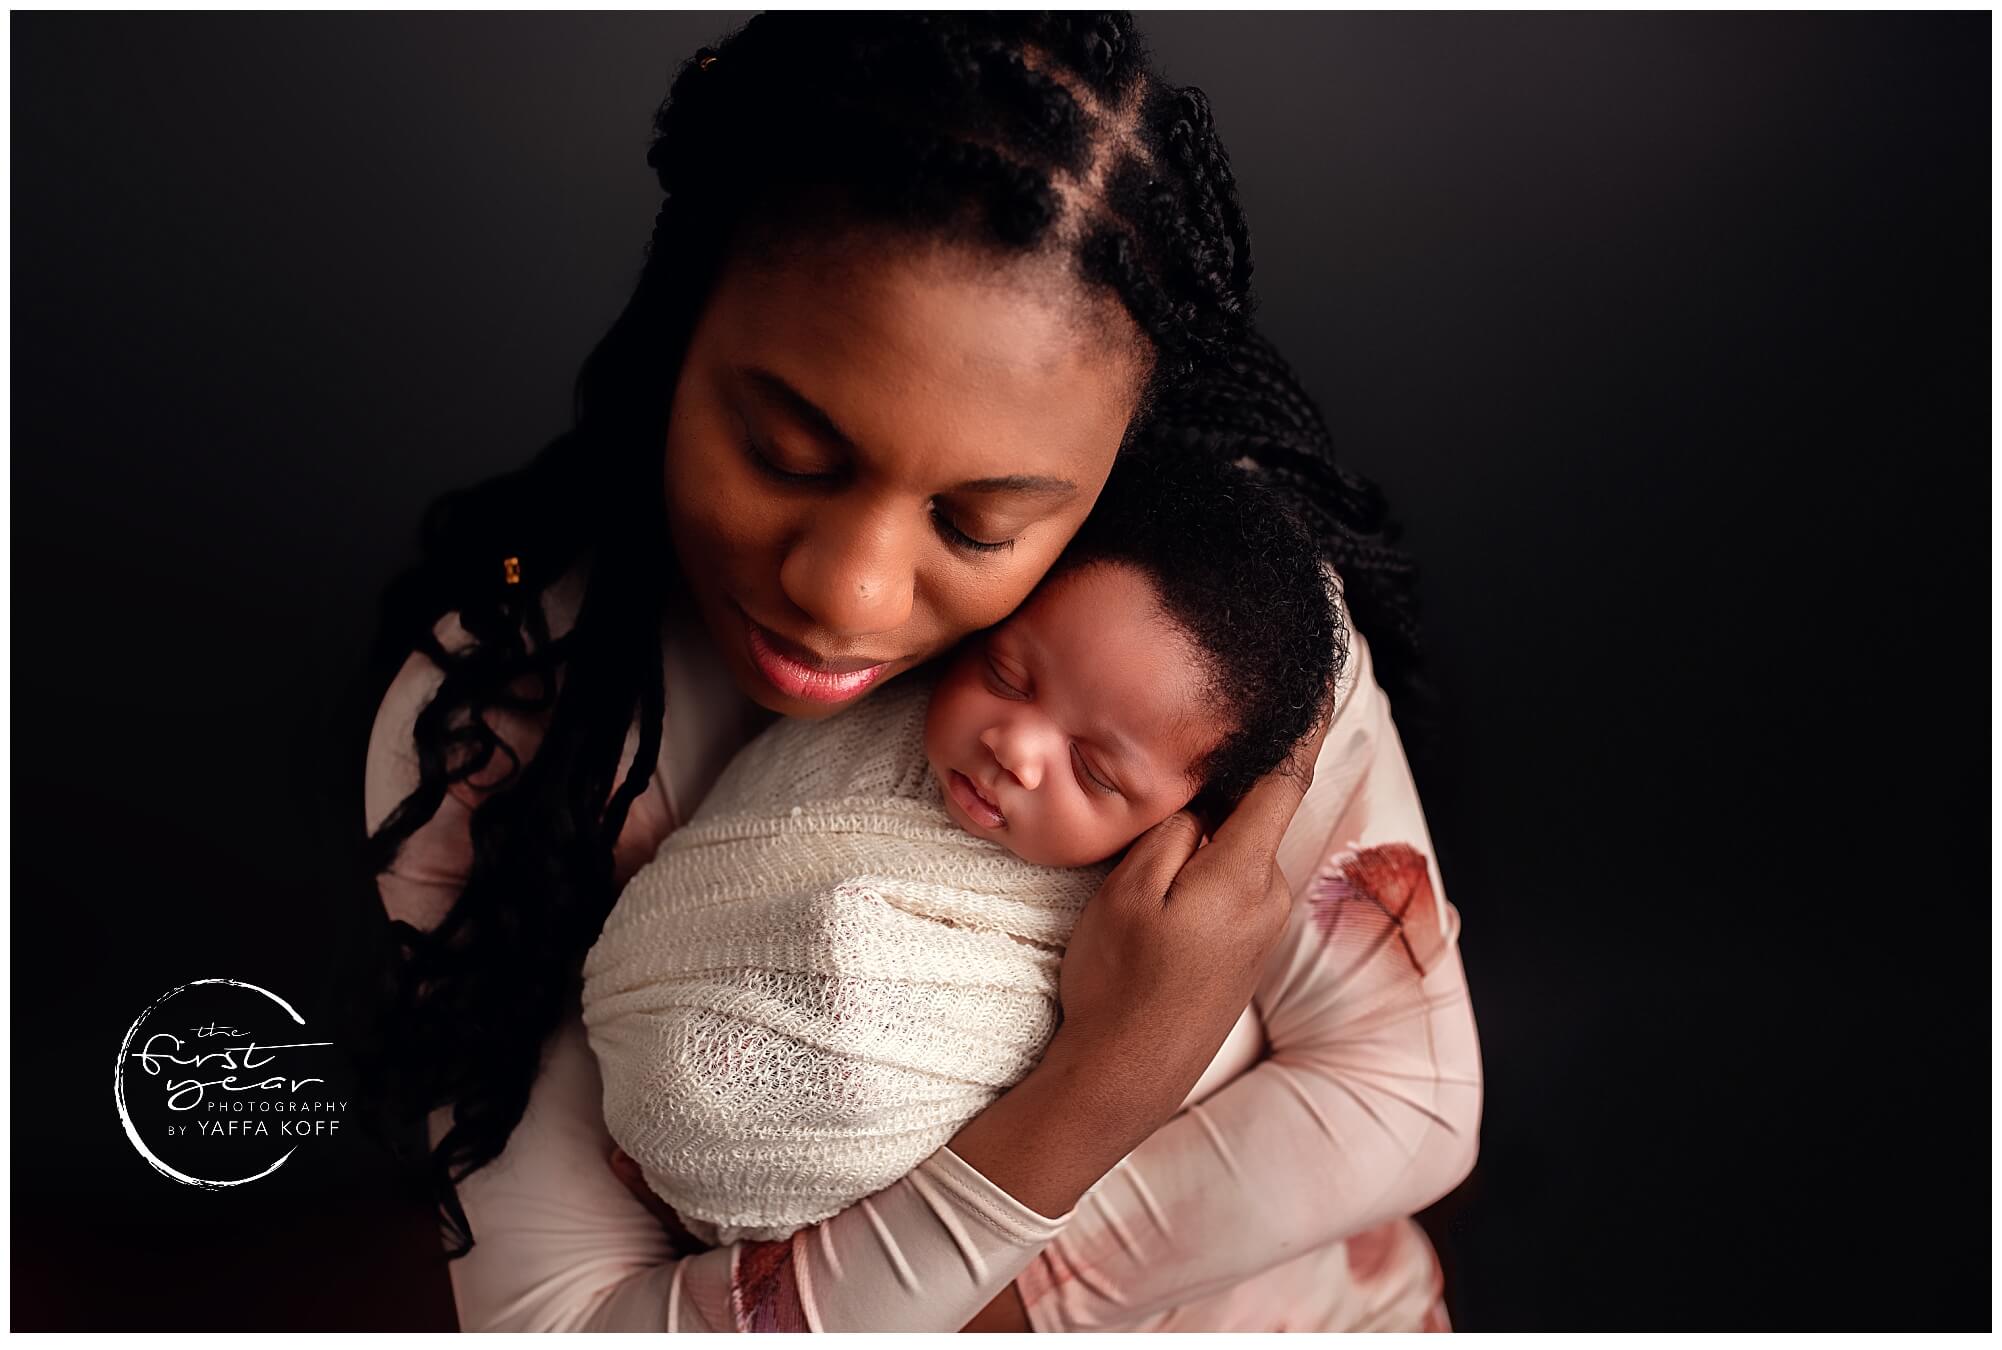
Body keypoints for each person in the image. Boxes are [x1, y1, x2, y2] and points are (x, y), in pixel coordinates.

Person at [356, 12, 1482, 1332]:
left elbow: (1406, 1099)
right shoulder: (505, 722)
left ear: (1108, 469)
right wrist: (1102, 1089)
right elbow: (555, 1323)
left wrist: (927, 1286)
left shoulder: (1210, 639)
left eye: (979, 525)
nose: (848, 593)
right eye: (786, 455)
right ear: (678, 329)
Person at [581, 448, 1342, 1248]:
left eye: (1093, 772)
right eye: (1007, 676)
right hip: (640, 1014)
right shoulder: (874, 717)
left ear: (1188, 816)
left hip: (816, 1194)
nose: (1015, 748)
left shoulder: (1131, 928)